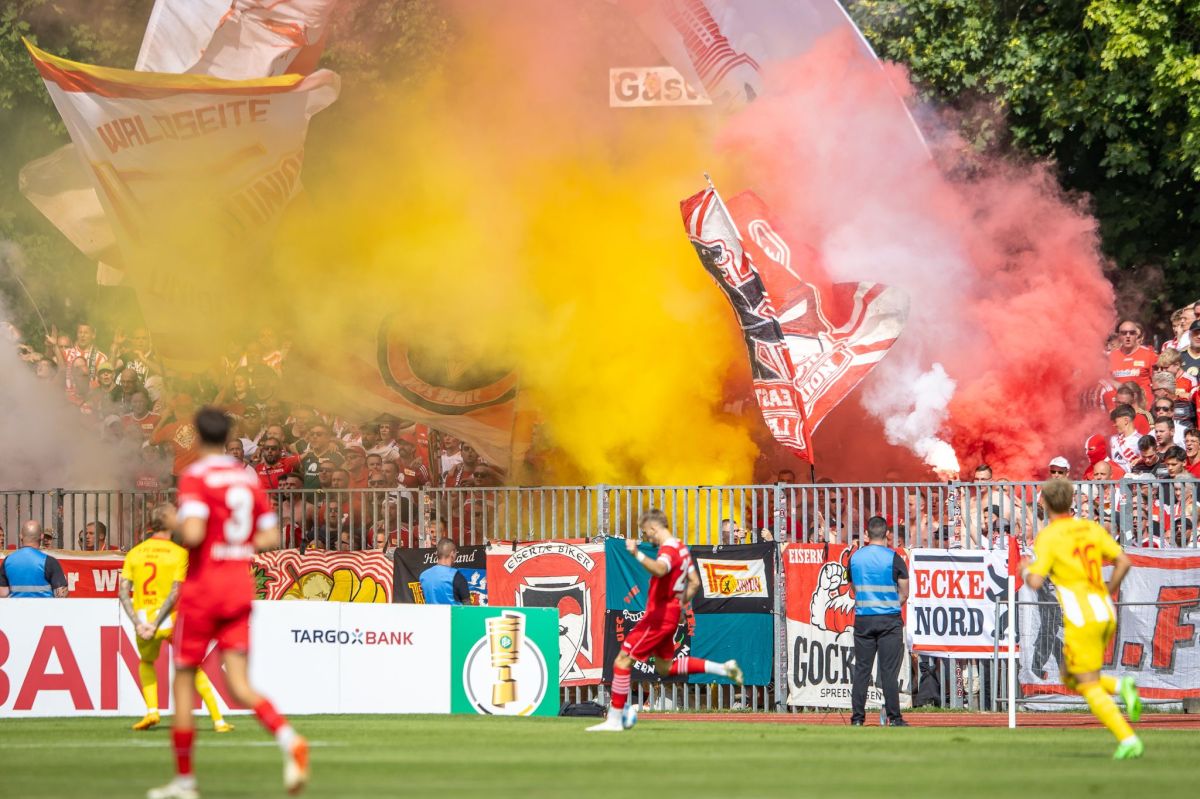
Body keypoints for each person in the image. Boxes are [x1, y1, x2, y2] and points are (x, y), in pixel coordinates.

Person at [147, 407, 307, 799]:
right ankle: (290, 742)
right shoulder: (245, 478)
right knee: (238, 685)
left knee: (183, 680)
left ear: (197, 437)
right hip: (239, 585)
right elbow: (270, 538)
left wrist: (174, 521)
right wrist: (234, 545)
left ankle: (185, 781)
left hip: (205, 588)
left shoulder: (197, 476)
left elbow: (196, 532)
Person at [587, 509, 742, 733]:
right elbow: (695, 582)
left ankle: (614, 719)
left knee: (622, 661)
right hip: (670, 615)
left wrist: (636, 554)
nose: (647, 539)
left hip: (658, 616)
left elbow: (660, 569)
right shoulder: (681, 547)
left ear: (653, 528)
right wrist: (680, 604)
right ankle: (722, 668)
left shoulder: (668, 549)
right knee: (665, 667)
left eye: (646, 533)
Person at [1020, 478, 1143, 760]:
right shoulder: (1091, 527)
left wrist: (1025, 569)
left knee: (1086, 683)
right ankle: (1118, 687)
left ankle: (1128, 738)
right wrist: (1109, 590)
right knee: (1070, 676)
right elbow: (1124, 561)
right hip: (1104, 609)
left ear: (1046, 503)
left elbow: (1037, 581)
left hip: (1081, 614)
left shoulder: (1049, 536)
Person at [120, 503, 231, 734]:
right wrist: (158, 623)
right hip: (171, 620)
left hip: (142, 619)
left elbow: (123, 592)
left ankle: (152, 711)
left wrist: (141, 624)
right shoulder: (179, 554)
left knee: (147, 663)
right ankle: (218, 720)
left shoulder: (134, 553)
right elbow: (174, 592)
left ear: (150, 525)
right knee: (193, 667)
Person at [848, 516, 909, 727]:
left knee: (862, 670)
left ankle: (857, 719)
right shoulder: (894, 558)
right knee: (888, 671)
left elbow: (853, 587)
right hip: (889, 618)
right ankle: (895, 717)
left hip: (864, 618)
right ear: (887, 534)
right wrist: (891, 604)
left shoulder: (855, 558)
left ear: (867, 534)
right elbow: (905, 592)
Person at [0, 520, 68, 597]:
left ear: (21, 536)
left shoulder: (8, 560)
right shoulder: (49, 561)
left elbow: (2, 593)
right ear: (42, 536)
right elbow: (61, 595)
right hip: (43, 608)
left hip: (16, 608)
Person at [1108, 321, 1157, 401]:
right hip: (1121, 406)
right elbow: (1106, 381)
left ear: (1137, 335)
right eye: (1124, 333)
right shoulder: (1111, 357)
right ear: (1119, 336)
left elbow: (1157, 382)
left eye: (1132, 333)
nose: (1128, 336)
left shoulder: (1149, 355)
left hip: (1143, 405)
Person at [418, 538, 470, 605]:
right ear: (452, 553)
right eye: (455, 553)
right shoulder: (456, 576)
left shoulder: (423, 576)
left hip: (431, 615)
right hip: (453, 615)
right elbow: (467, 606)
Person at [1108, 405, 1141, 472]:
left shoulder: (1140, 440)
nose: (1114, 425)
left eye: (1115, 421)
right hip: (1115, 480)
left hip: (1132, 480)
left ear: (1126, 420)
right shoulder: (1113, 439)